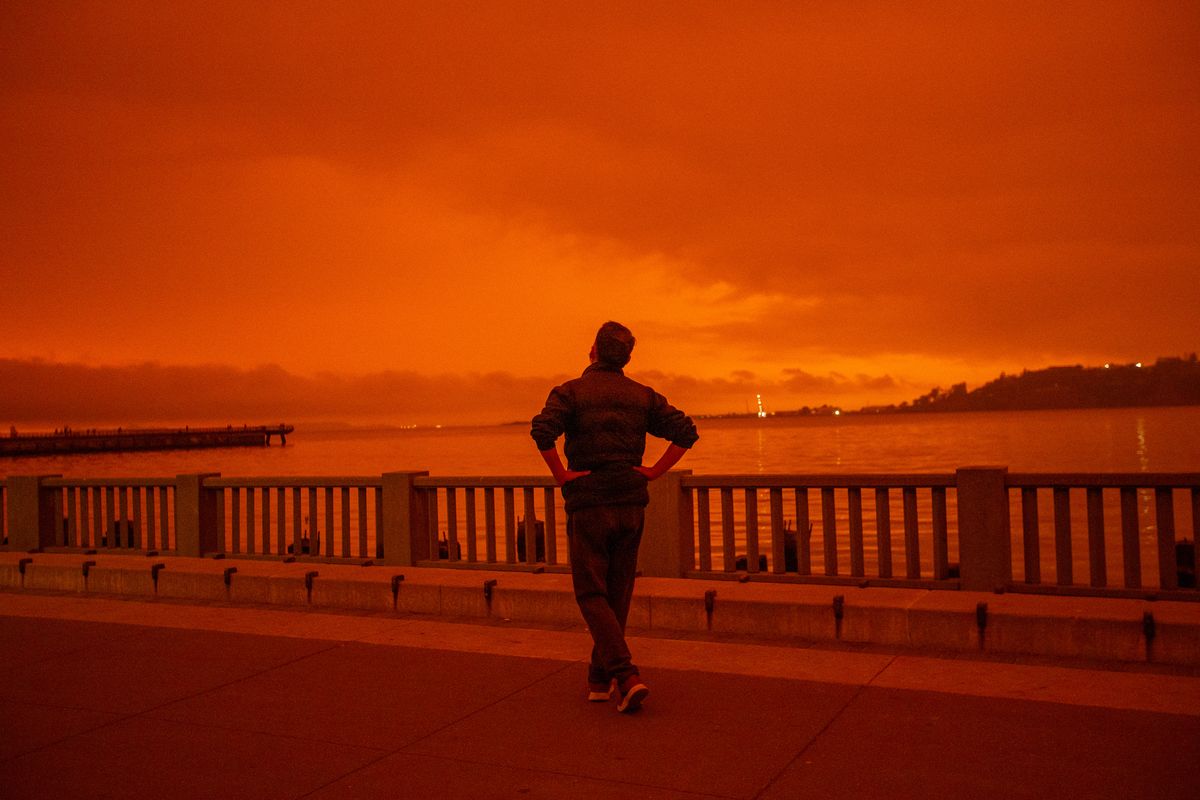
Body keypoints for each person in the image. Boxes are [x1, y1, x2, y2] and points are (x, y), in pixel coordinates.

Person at [531, 321, 698, 713]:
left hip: (589, 502)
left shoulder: (570, 392)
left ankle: (626, 675)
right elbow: (687, 432)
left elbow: (542, 431)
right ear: (626, 357)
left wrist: (561, 474)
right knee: (618, 592)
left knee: (591, 592)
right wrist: (655, 471)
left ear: (593, 351)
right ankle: (598, 678)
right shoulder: (642, 396)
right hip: (630, 502)